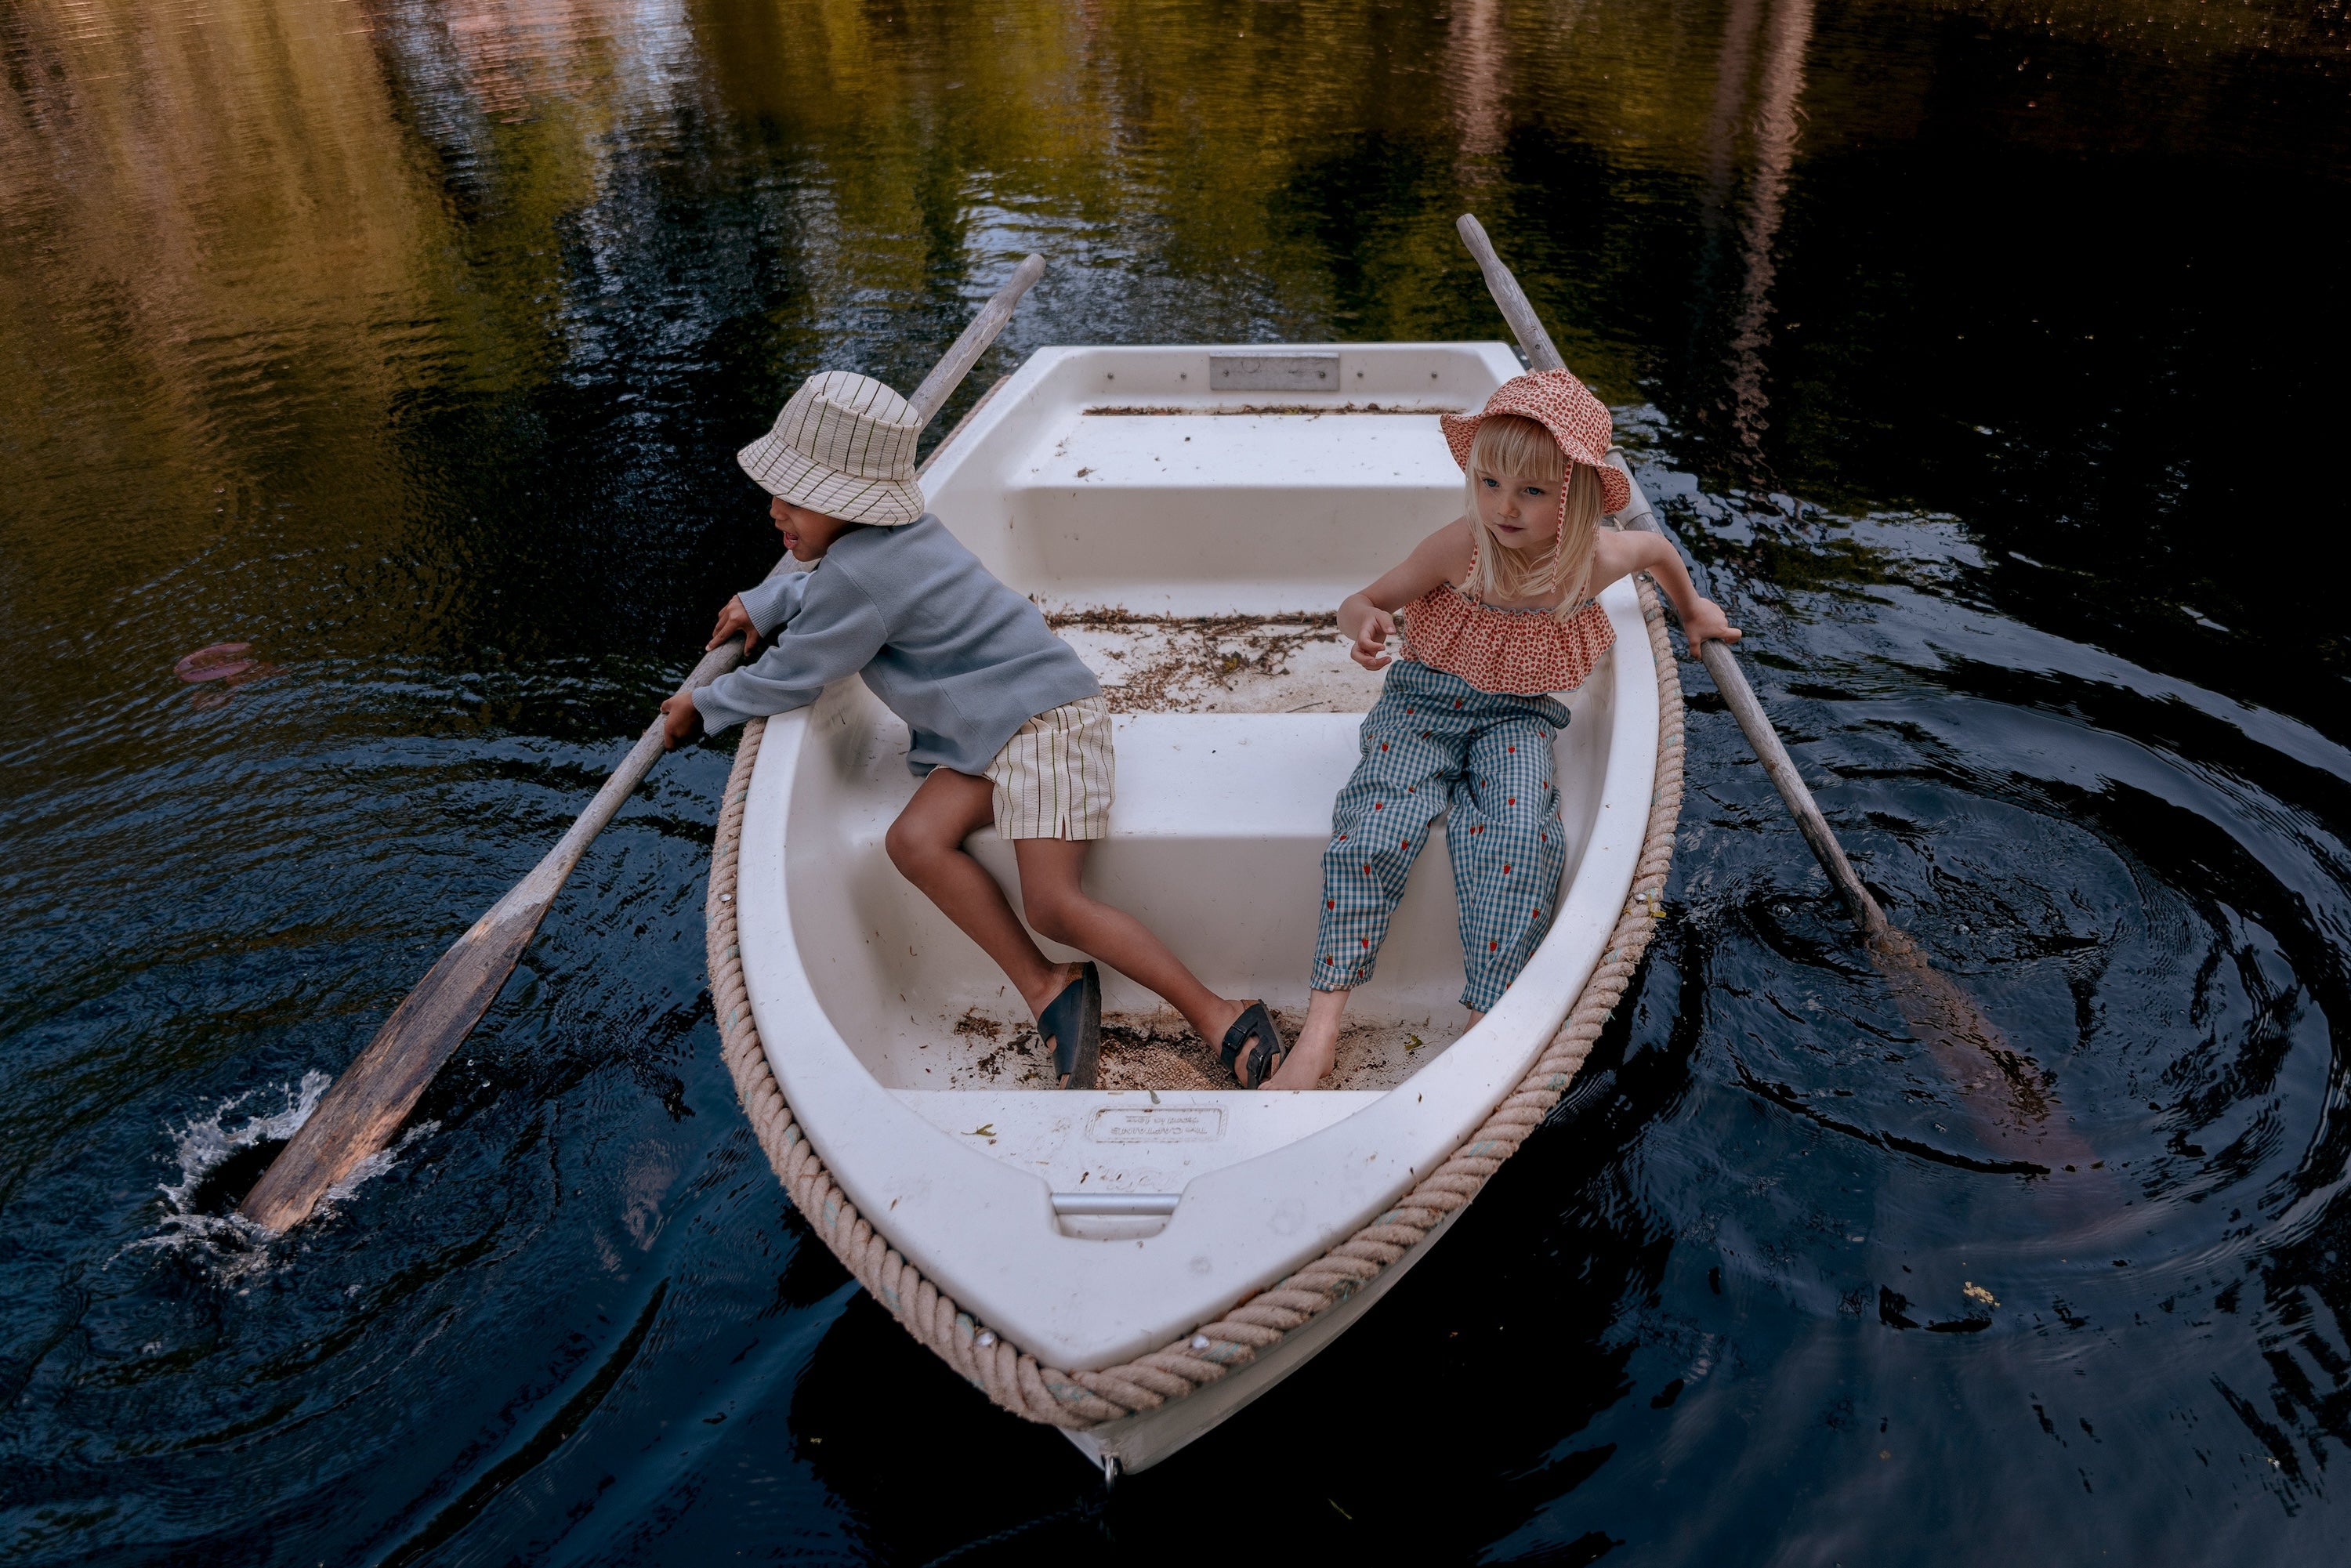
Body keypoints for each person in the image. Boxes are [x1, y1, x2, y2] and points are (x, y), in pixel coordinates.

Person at [660, 370, 1282, 1088]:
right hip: (999, 727)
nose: (776, 511)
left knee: (1055, 903)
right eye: (778, 494)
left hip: (1041, 724)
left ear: (846, 504)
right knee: (914, 841)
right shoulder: (897, 535)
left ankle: (1219, 1012)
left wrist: (704, 707)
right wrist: (767, 599)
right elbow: (823, 584)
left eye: (796, 499)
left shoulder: (861, 575)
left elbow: (799, 669)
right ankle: (1050, 987)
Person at [1259, 369, 1741, 1089]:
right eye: (1489, 483)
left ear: (1575, 493)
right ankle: (1322, 1026)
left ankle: (1485, 1022)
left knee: (1523, 836)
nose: (1504, 507)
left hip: (1517, 714)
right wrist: (1364, 624)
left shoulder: (1596, 559)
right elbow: (1366, 598)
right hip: (1423, 705)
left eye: (1532, 491)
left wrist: (1694, 609)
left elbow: (1659, 552)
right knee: (1373, 827)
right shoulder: (1461, 548)